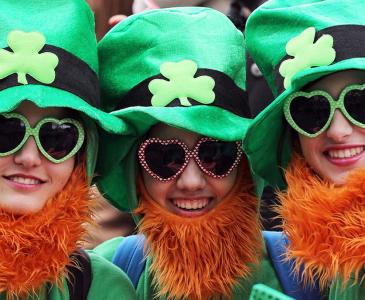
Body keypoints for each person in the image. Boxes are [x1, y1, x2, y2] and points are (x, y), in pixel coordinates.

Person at [94, 7, 285, 299]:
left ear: (244, 162)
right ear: (133, 168)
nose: (191, 181)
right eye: (165, 158)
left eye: (215, 154)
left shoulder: (304, 271)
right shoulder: (104, 276)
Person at [0, 1, 136, 299]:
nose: (28, 157)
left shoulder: (101, 287)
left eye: (57, 137)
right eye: (7, 131)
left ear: (83, 156)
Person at [245, 0, 365, 298]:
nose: (338, 131)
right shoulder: (288, 261)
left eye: (360, 104)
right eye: (311, 111)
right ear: (292, 136)